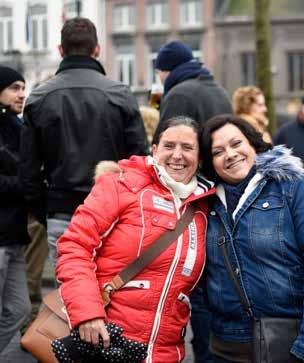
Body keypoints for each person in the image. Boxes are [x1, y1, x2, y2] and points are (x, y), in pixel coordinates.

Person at [55, 116, 215, 362]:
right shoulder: (121, 185)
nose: (177, 155)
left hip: (165, 352)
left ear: (200, 158)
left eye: (187, 148)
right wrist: (87, 313)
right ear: (154, 150)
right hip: (105, 341)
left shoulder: (205, 208)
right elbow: (75, 246)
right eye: (169, 146)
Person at [200, 115, 304, 362]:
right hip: (226, 347)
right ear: (211, 163)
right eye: (218, 151)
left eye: (236, 143)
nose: (230, 154)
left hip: (293, 341)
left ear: (254, 143)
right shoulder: (204, 203)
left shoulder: (293, 184)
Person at [20, 17, 149, 269]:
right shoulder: (119, 94)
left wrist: (47, 211)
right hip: (112, 213)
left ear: (61, 50)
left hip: (63, 213)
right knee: (115, 296)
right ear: (97, 50)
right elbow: (140, 161)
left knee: (70, 298)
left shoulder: (39, 98)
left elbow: (28, 171)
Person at [155, 39, 232, 362]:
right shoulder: (217, 89)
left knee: (196, 294)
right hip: (221, 199)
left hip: (194, 203)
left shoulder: (179, 94)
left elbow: (167, 153)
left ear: (164, 71)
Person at [0, 66, 31, 353]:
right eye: (14, 87)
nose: (22, 94)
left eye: (23, 87)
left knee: (20, 308)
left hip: (15, 234)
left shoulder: (17, 126)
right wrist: (27, 184)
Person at [156, 40, 232, 126]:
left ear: (166, 70)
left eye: (158, 72)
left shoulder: (178, 96)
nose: (159, 78)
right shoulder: (220, 91)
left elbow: (167, 137)